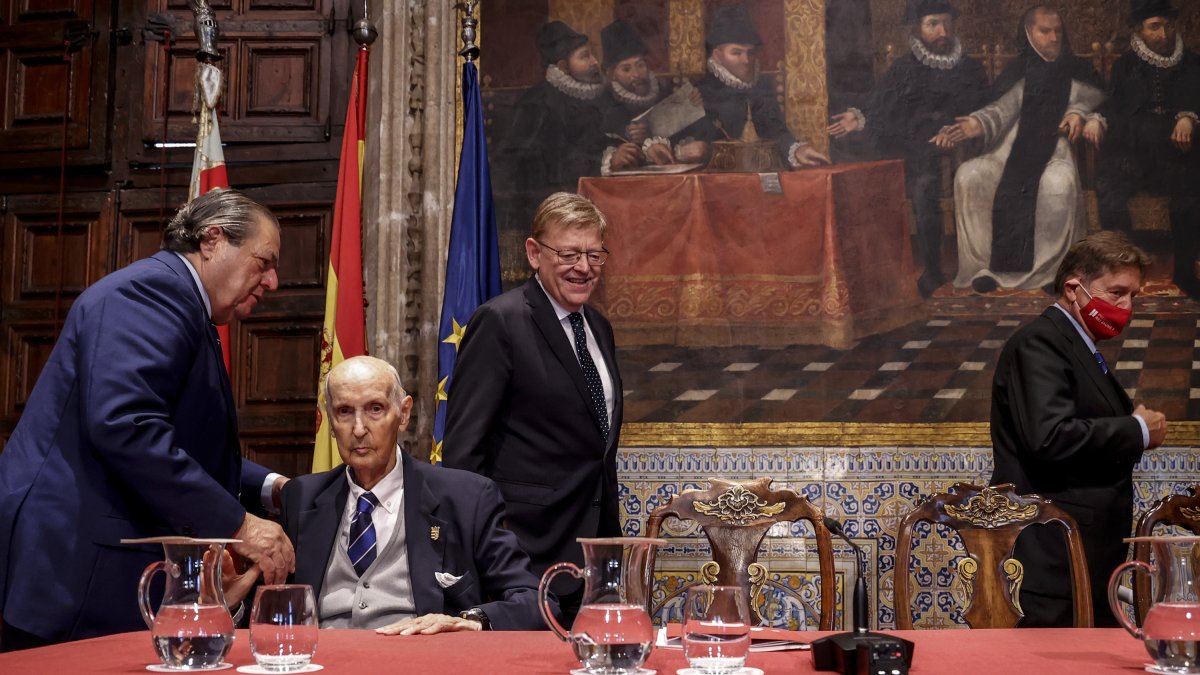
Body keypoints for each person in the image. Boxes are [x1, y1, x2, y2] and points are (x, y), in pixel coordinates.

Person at [0, 189, 294, 649]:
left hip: (90, 564)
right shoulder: (153, 293)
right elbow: (127, 426)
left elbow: (180, 442)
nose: (272, 282)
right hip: (72, 570)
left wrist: (271, 487)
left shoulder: (183, 303)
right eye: (264, 262)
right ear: (213, 239)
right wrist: (240, 526)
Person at [442, 192, 622, 624]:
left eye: (594, 255)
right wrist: (488, 549)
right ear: (534, 253)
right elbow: (464, 454)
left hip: (597, 559)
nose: (583, 267)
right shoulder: (500, 321)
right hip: (525, 560)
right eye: (569, 254)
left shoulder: (599, 327)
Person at [275, 356, 547, 633]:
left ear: (403, 413)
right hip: (323, 655)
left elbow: (535, 602)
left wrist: (470, 620)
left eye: (375, 409)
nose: (358, 429)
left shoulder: (467, 498)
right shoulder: (301, 497)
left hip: (418, 654)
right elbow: (269, 606)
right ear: (330, 421)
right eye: (344, 411)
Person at [990, 231, 1167, 627]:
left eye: (1133, 296)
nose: (1126, 306)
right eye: (1117, 292)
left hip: (1084, 555)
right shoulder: (1041, 342)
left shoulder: (1076, 344)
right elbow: (1049, 437)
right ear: (1074, 288)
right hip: (1052, 556)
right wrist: (1137, 429)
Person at [937, 5, 1105, 293]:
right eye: (1045, 31)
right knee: (970, 175)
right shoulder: (1017, 70)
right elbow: (1000, 109)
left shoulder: (1078, 70)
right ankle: (985, 268)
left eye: (1058, 31)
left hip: (1055, 153)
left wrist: (1082, 115)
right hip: (1008, 152)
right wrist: (979, 123)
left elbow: (1096, 100)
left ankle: (1053, 271)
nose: (1054, 38)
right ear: (1028, 33)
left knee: (1058, 183)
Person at [828, 0, 988, 297]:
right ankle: (924, 270)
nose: (942, 31)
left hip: (960, 148)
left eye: (946, 23)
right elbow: (882, 104)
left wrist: (952, 130)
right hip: (913, 148)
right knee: (916, 183)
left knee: (930, 181)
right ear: (917, 29)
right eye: (933, 24)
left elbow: (978, 108)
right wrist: (859, 117)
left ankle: (965, 266)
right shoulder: (904, 67)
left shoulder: (970, 68)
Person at [496, 21, 642, 232]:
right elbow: (552, 164)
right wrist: (607, 161)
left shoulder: (593, 96)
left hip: (584, 198)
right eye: (585, 56)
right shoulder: (538, 103)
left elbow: (594, 141)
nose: (594, 62)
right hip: (546, 209)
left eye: (592, 54)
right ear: (564, 67)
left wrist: (623, 148)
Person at [1096, 0, 1200, 297]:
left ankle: (1184, 272)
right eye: (1155, 27)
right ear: (1139, 30)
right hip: (1135, 157)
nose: (1163, 34)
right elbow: (1114, 108)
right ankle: (1123, 269)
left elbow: (1195, 94)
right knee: (1109, 189)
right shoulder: (1125, 66)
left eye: (1168, 26)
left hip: (1178, 156)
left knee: (1189, 194)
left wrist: (1188, 117)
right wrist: (1097, 119)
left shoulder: (1191, 62)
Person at [693, 4, 829, 168]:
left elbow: (776, 130)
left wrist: (796, 150)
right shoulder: (699, 92)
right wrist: (683, 150)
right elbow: (676, 139)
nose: (746, 60)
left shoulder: (761, 87)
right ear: (718, 56)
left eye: (750, 53)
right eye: (736, 53)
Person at [598, 19, 708, 171]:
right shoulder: (605, 104)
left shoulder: (665, 93)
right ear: (612, 74)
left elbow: (690, 135)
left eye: (640, 65)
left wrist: (693, 105)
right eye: (626, 69)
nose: (636, 74)